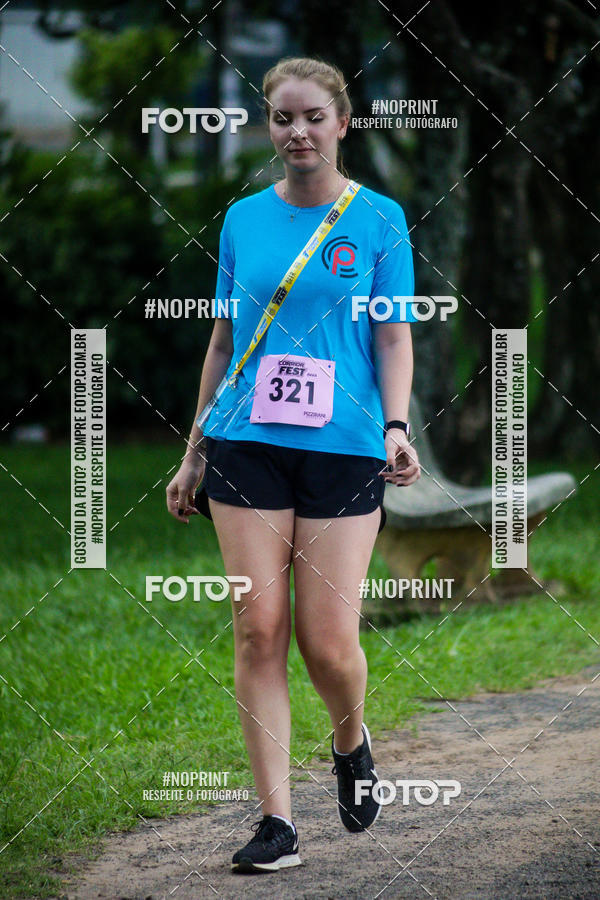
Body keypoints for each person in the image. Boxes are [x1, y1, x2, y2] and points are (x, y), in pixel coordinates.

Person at [166, 56, 420, 874]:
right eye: (283, 118)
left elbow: (391, 335)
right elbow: (221, 342)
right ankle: (277, 823)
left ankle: (350, 739)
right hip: (248, 442)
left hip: (344, 447)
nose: (297, 131)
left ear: (343, 124)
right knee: (258, 628)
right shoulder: (241, 220)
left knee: (328, 645)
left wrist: (394, 425)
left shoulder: (380, 220)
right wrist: (195, 447)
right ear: (267, 127)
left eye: (314, 117)